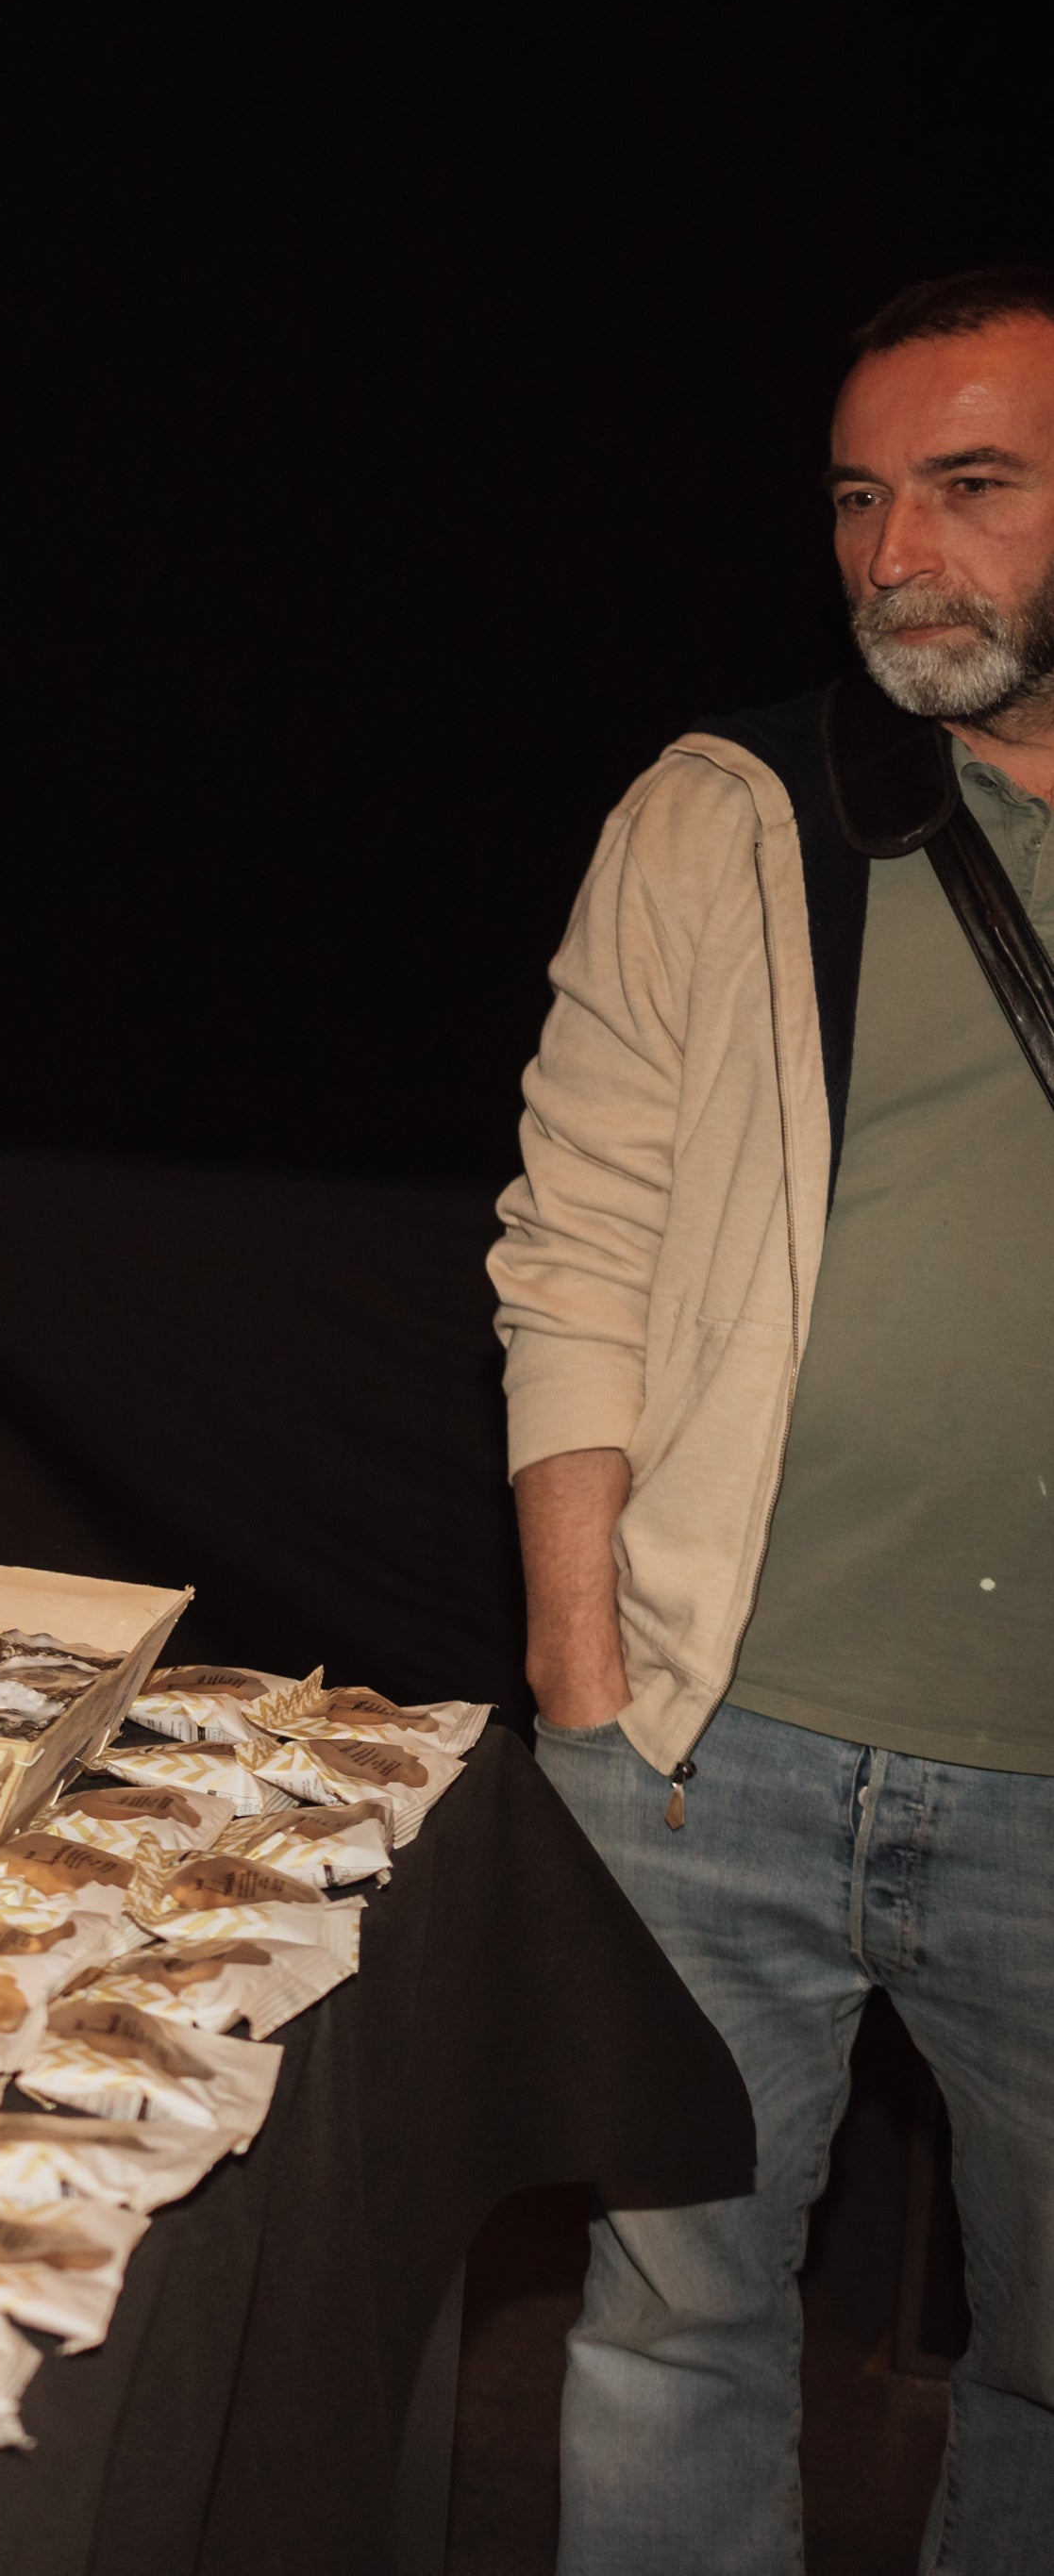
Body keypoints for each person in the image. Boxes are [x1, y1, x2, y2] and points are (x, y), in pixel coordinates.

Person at [498, 262, 1054, 2573]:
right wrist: (581, 1674)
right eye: (854, 498)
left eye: (968, 488)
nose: (889, 554)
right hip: (715, 1753)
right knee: (669, 2338)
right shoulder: (729, 811)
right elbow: (572, 1230)